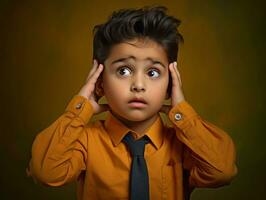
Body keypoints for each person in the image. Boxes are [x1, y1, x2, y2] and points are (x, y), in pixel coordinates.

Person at [27, 6, 238, 200]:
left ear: (170, 85)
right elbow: (45, 172)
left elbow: (222, 171)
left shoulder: (183, 144)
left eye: (153, 72)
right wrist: (79, 110)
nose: (138, 85)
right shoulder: (86, 141)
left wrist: (183, 113)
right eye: (123, 71)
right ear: (99, 83)